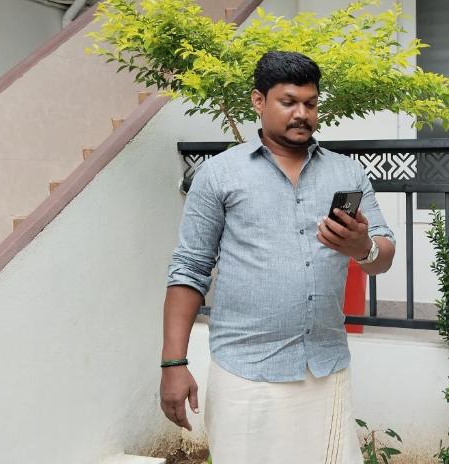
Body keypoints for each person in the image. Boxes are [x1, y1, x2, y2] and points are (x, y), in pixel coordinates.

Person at [159, 50, 396, 463]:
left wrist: (363, 248)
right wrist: (173, 363)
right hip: (246, 372)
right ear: (258, 101)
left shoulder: (347, 174)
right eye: (289, 101)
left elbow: (383, 255)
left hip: (324, 367)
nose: (302, 113)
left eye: (310, 103)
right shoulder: (220, 174)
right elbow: (190, 270)